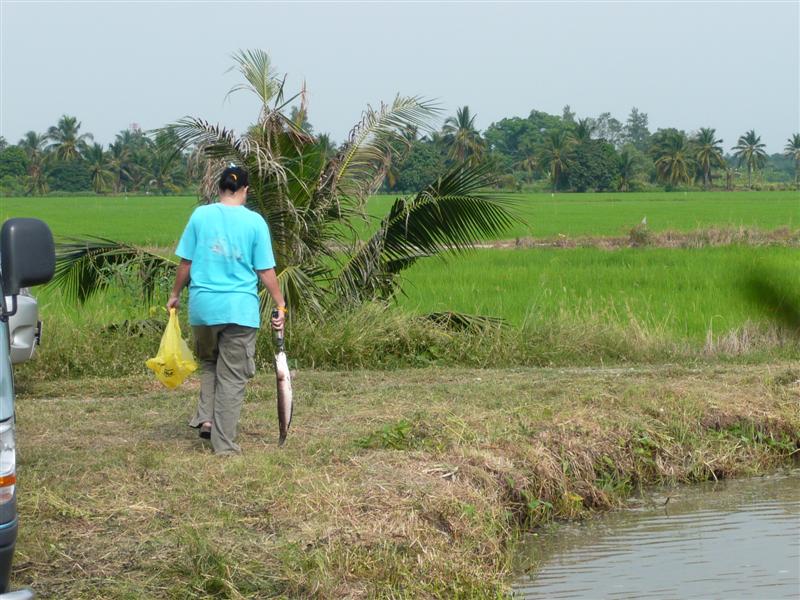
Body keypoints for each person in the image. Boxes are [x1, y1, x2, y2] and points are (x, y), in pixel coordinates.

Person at [167, 165, 286, 455]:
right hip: (239, 310)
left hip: (203, 308)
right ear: (245, 190)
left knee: (210, 363)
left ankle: (206, 420)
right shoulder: (255, 222)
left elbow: (186, 263)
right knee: (233, 376)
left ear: (219, 188)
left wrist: (174, 295)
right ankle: (225, 446)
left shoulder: (201, 216)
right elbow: (265, 270)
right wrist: (279, 303)